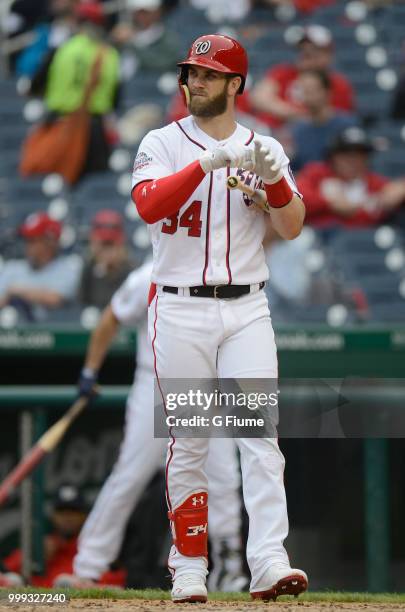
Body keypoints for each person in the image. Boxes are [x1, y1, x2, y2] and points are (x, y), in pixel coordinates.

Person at [131, 34, 308, 603]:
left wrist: (275, 182)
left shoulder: (263, 145)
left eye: (208, 74)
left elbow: (292, 226)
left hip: (247, 308)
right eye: (191, 73)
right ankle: (188, 565)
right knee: (190, 442)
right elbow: (149, 205)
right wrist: (207, 162)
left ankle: (269, 560)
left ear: (236, 84)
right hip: (180, 308)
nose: (195, 82)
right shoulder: (162, 142)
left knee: (260, 438)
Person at [55, 260, 248, 592]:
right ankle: (88, 567)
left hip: (208, 386)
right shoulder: (151, 272)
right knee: (131, 474)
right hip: (158, 382)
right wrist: (90, 370)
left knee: (224, 478)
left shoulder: (224, 270)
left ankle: (229, 571)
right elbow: (112, 316)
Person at [29, 1, 120, 178]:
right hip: (95, 132)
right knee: (95, 188)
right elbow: (115, 100)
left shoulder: (61, 49)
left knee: (53, 180)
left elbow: (34, 86)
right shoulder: (110, 55)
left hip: (59, 124)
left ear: (78, 22)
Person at [0, 485, 124, 587]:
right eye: (62, 512)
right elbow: (6, 571)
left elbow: (119, 581)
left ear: (84, 516)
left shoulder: (94, 548)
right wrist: (33, 555)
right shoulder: (42, 547)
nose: (67, 518)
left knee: (64, 583)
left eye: (73, 511)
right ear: (53, 516)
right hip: (36, 605)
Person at [245, 25, 355, 129]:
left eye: (313, 51)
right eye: (302, 50)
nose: (305, 54)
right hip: (273, 134)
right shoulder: (284, 72)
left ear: (327, 55)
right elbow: (259, 98)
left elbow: (337, 118)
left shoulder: (337, 83)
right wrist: (296, 114)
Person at [297, 126, 405, 229]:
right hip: (315, 238)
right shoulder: (317, 173)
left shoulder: (373, 182)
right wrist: (329, 202)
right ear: (333, 157)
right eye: (347, 154)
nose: (353, 161)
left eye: (360, 155)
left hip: (356, 241)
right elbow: (295, 199)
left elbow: (390, 195)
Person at [0, 212, 82, 320]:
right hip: (13, 335)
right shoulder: (12, 268)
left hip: (57, 332)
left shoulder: (69, 268)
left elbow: (55, 299)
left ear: (50, 242)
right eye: (26, 240)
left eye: (33, 241)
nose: (27, 246)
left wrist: (16, 291)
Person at [288, 69, 357, 172]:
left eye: (312, 89)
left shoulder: (346, 125)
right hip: (307, 184)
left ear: (327, 92)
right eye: (304, 90)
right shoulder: (298, 130)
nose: (308, 94)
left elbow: (355, 163)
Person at [79, 210, 134, 309]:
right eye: (104, 245)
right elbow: (81, 306)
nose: (107, 252)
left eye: (111, 245)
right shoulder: (88, 269)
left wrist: (112, 271)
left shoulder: (132, 271)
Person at [111, 0, 180, 75]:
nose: (141, 16)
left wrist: (132, 43)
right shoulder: (129, 33)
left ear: (157, 12)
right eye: (137, 12)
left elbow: (163, 63)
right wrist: (116, 42)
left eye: (145, 12)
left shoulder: (168, 38)